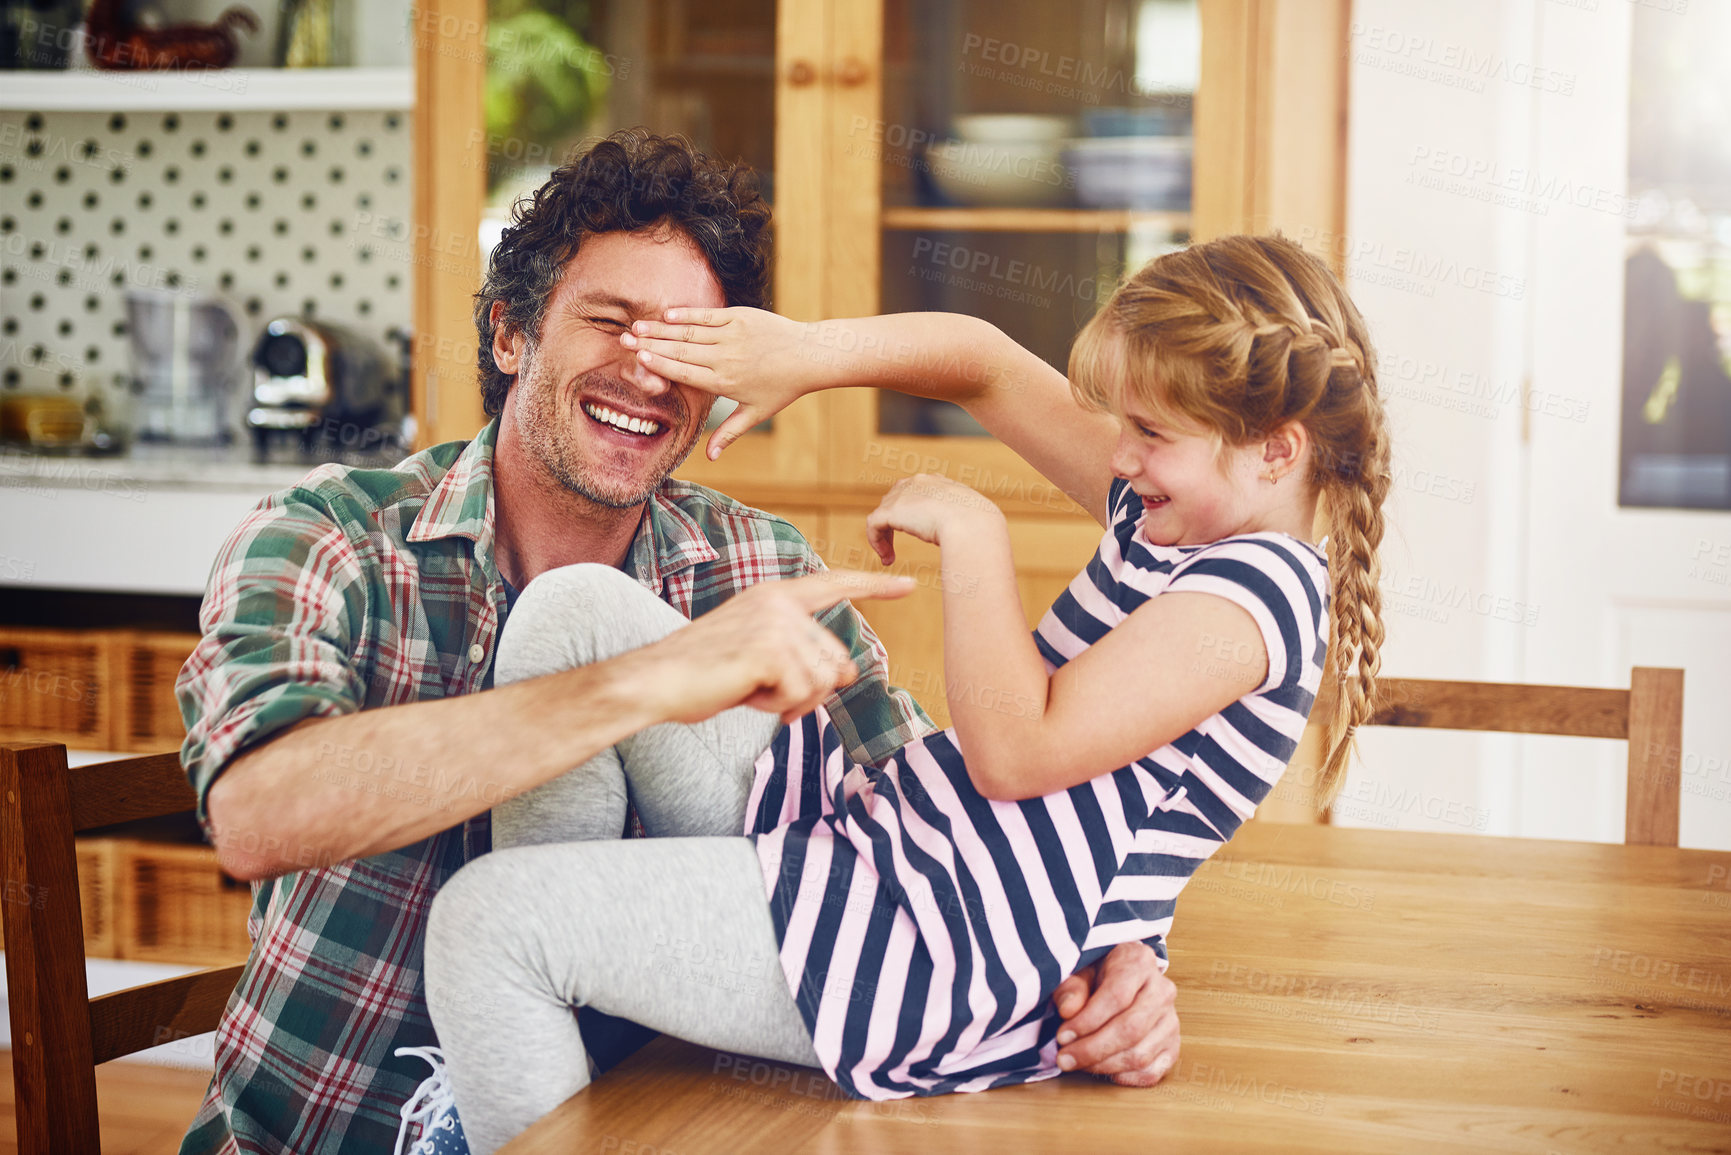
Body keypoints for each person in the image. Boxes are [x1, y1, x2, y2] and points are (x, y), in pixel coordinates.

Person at [174, 130, 1179, 1155]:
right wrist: (648, 681)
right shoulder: (331, 538)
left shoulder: (758, 568)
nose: (649, 372)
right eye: (611, 323)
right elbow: (256, 814)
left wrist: (1114, 960)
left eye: (690, 344)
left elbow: (930, 840)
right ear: (511, 333)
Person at [416, 233, 1391, 1152]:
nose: (1120, 455)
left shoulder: (1252, 594)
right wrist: (807, 352)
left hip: (929, 941)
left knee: (485, 922)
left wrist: (975, 535)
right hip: (892, 839)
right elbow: (983, 362)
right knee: (574, 612)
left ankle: (524, 1042)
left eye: (1149, 430)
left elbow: (1018, 755)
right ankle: (577, 1032)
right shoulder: (1181, 510)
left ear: (1277, 448)